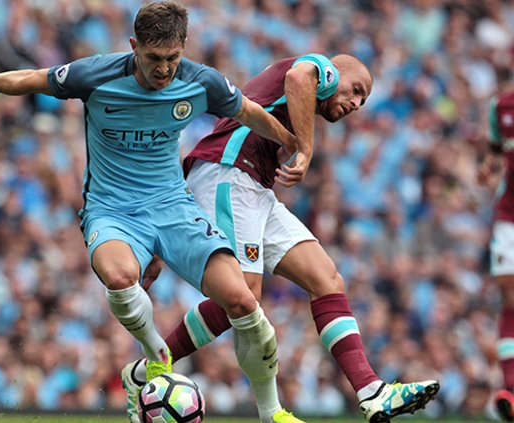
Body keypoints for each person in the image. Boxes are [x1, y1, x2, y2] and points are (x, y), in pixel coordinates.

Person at [0, 2, 307, 423]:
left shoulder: (201, 82)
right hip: (112, 210)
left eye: (172, 58)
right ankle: (156, 356)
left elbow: (249, 112)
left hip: (173, 207)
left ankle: (271, 412)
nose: (164, 69)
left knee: (244, 303)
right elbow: (33, 78)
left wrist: (295, 144)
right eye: (154, 58)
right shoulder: (96, 74)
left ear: (183, 47)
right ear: (133, 46)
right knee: (120, 277)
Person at [123, 53, 440, 423]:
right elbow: (300, 77)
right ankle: (164, 376)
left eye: (363, 101)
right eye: (355, 90)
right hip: (228, 173)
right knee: (243, 296)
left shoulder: (293, 102)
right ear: (336, 72)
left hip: (255, 187)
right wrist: (306, 148)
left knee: (326, 279)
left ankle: (372, 391)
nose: (356, 103)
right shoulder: (316, 66)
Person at [478, 89, 514, 422]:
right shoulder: (501, 106)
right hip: (509, 214)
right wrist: (488, 167)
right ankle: (511, 387)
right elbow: (495, 149)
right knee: (509, 296)